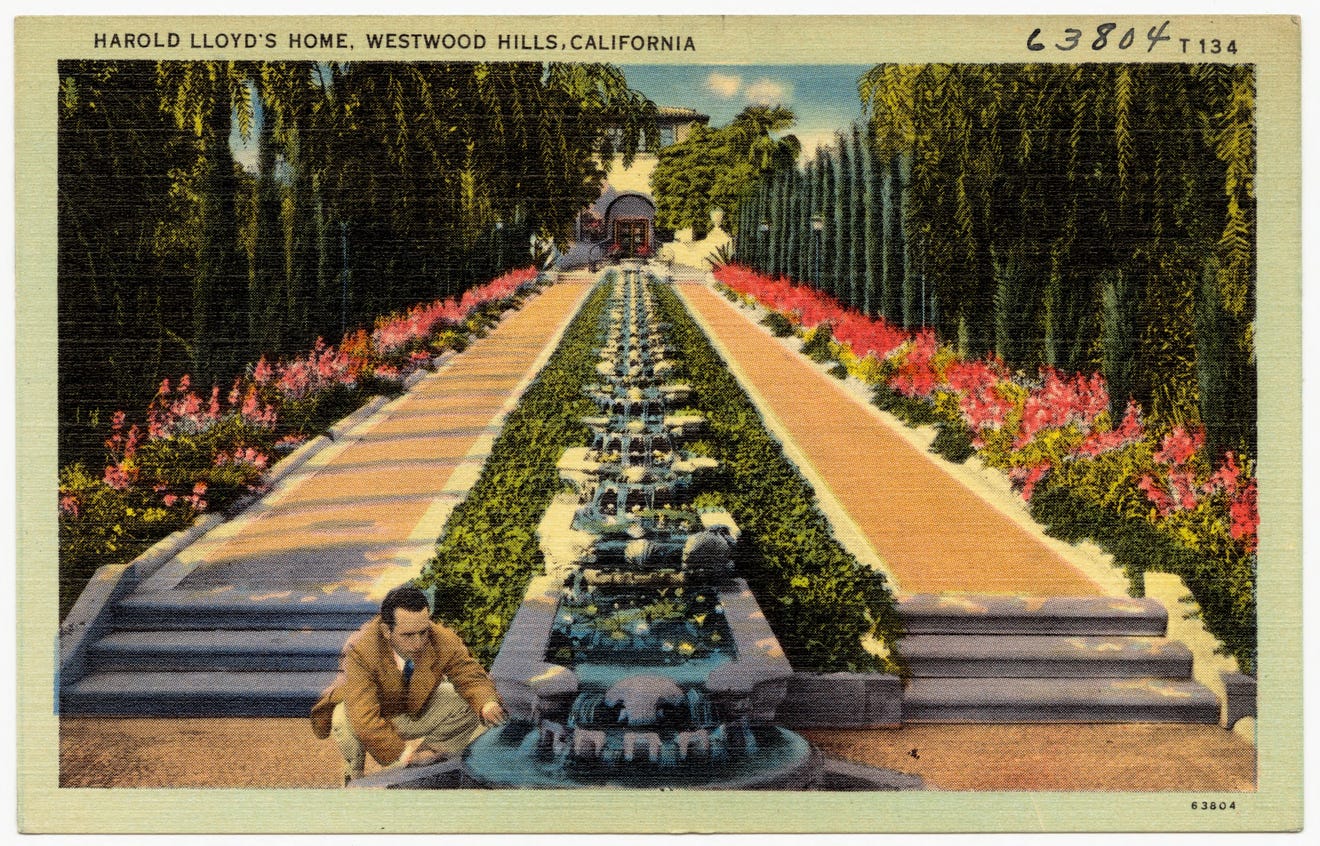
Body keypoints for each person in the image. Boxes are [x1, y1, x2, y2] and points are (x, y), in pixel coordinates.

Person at [310, 585, 507, 785]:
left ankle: (430, 759)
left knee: (468, 703)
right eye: (408, 635)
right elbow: (364, 717)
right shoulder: (361, 649)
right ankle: (354, 777)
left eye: (423, 632)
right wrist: (404, 754)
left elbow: (468, 674)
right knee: (343, 716)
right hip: (375, 712)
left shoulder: (440, 637)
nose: (418, 643)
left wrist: (486, 704)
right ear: (387, 631)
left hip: (413, 707)